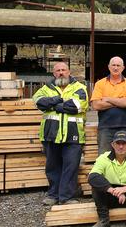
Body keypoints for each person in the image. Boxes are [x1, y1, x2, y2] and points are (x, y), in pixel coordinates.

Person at [34, 61, 88, 205]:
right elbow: (39, 103)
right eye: (58, 70)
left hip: (73, 135)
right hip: (50, 134)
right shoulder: (46, 88)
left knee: (71, 167)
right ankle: (53, 196)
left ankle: (67, 197)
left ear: (69, 72)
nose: (61, 73)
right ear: (53, 73)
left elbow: (77, 106)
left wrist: (54, 105)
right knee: (52, 167)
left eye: (64, 70)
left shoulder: (80, 88)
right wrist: (59, 100)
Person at [88, 130, 126, 227]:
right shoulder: (103, 158)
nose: (121, 146)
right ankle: (103, 219)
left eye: (124, 143)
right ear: (112, 144)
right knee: (96, 185)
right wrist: (113, 191)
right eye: (118, 143)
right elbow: (92, 177)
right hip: (109, 196)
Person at [91, 56, 126, 155]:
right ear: (109, 67)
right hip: (105, 128)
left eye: (118, 65)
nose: (115, 68)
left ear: (123, 68)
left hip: (125, 126)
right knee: (104, 157)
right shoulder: (100, 84)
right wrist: (120, 101)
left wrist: (108, 99)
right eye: (113, 65)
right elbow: (96, 105)